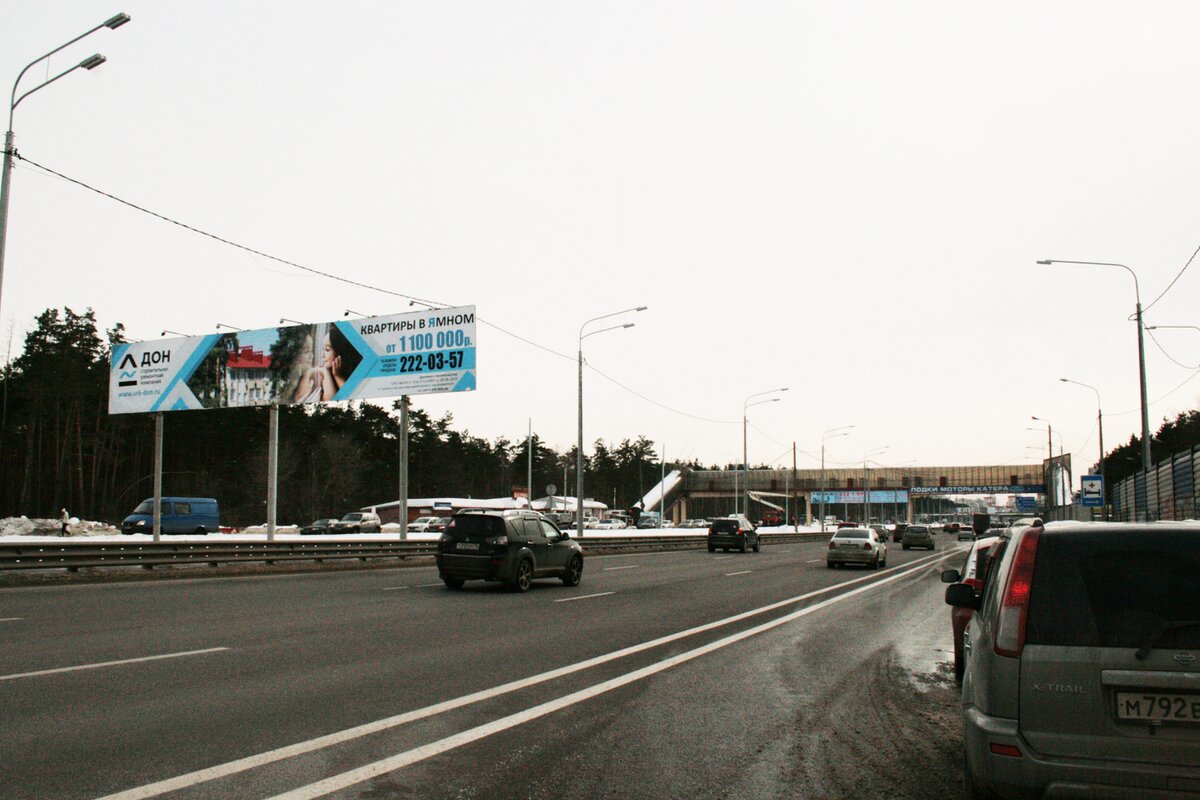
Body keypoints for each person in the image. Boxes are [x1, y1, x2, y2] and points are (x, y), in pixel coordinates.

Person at [309, 326, 362, 401]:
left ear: (340, 353)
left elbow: (352, 398)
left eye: (327, 350)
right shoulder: (320, 374)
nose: (322, 355)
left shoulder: (355, 374)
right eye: (322, 349)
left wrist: (338, 376)